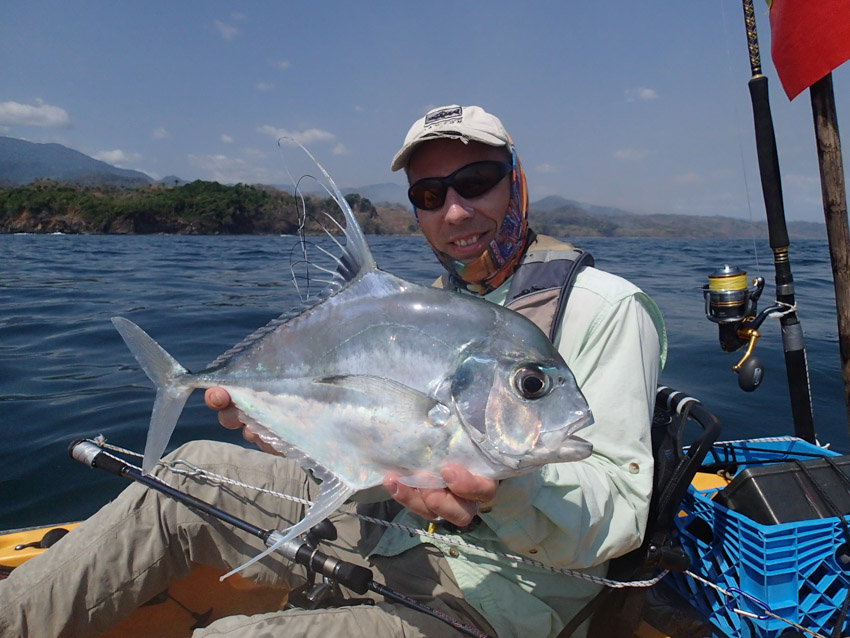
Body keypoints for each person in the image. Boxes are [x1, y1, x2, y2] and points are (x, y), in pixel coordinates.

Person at [0, 104, 666, 638]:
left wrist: (501, 490)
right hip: (384, 526)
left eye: (476, 182)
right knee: (177, 479)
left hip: (494, 602)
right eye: (430, 194)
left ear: (516, 179)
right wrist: (304, 430)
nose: (455, 211)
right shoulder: (436, 306)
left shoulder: (605, 310)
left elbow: (621, 512)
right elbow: (376, 429)